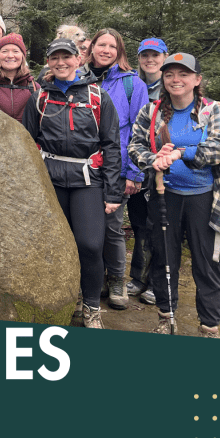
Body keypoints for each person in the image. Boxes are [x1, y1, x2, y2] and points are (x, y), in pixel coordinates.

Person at [21, 37, 123, 329]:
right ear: (49, 63)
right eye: (55, 58)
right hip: (50, 180)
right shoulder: (39, 97)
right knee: (55, 245)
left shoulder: (97, 96)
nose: (61, 63)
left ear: (79, 59)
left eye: (67, 57)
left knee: (90, 244)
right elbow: (28, 141)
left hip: (87, 180)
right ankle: (69, 296)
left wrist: (113, 191)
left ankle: (91, 306)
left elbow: (112, 145)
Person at [128, 53, 220, 337]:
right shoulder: (152, 111)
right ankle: (165, 317)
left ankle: (209, 327)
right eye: (170, 74)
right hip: (164, 195)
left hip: (205, 198)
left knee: (206, 264)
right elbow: (134, 146)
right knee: (163, 258)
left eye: (183, 74)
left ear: (197, 80)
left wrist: (182, 153)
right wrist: (152, 159)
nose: (175, 80)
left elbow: (217, 149)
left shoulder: (214, 110)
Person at [86, 27, 149, 309]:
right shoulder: (79, 79)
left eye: (112, 46)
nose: (106, 50)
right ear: (92, 49)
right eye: (102, 45)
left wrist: (135, 174)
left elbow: (141, 131)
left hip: (118, 167)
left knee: (112, 228)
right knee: (88, 226)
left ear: (120, 51)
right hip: (85, 167)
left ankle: (117, 281)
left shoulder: (133, 85)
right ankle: (95, 277)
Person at [126, 37, 169, 304]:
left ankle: (156, 282)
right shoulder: (136, 85)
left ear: (165, 56)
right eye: (145, 55)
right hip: (140, 165)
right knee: (140, 225)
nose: (149, 60)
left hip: (164, 170)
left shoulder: (171, 86)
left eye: (155, 55)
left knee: (161, 227)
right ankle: (138, 278)